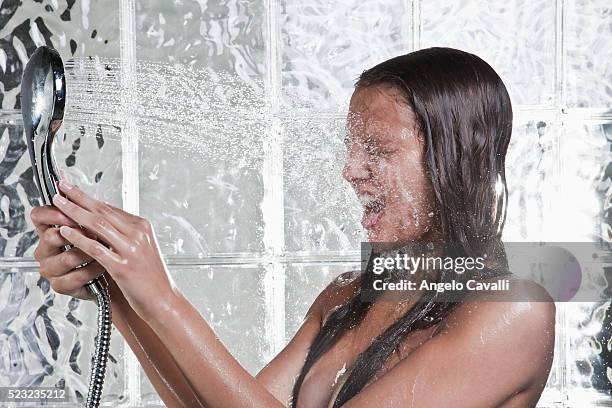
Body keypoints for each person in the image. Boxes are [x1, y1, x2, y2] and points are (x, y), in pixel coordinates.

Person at [30, 47, 556, 407]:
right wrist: (119, 291)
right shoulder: (349, 298)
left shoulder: (510, 312)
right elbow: (215, 402)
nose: (351, 171)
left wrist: (165, 299)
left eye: (378, 150)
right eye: (352, 149)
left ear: (455, 161)